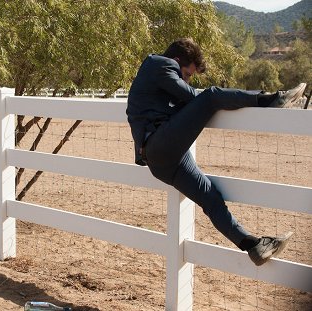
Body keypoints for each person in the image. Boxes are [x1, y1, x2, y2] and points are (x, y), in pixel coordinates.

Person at [126, 38, 305, 266]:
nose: (187, 79)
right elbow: (194, 97)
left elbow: (179, 104)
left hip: (160, 160)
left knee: (210, 197)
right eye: (187, 74)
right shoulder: (159, 64)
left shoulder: (155, 76)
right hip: (161, 145)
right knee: (210, 95)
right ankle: (270, 99)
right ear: (177, 61)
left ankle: (253, 245)